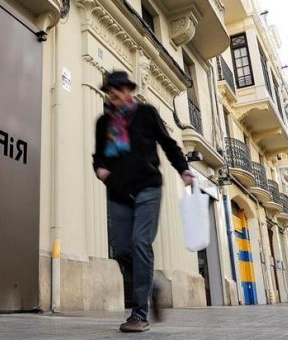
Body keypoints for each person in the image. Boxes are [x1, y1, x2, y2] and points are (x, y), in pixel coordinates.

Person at [92, 71, 194, 333]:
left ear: (128, 90)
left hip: (148, 187)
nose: (113, 93)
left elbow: (169, 144)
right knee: (123, 249)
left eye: (117, 88)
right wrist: (100, 169)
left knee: (140, 242)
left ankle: (139, 314)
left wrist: (183, 169)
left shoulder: (147, 113)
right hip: (118, 191)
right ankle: (154, 285)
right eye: (109, 90)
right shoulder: (103, 123)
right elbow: (99, 156)